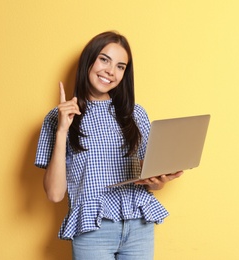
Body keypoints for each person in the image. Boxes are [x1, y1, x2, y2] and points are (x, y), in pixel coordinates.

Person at [35, 31, 183, 260]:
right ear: (89, 60)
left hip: (139, 227)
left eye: (120, 66)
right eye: (104, 59)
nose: (110, 72)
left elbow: (150, 180)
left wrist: (159, 180)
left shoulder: (136, 114)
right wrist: (63, 130)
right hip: (93, 230)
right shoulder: (58, 117)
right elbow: (55, 194)